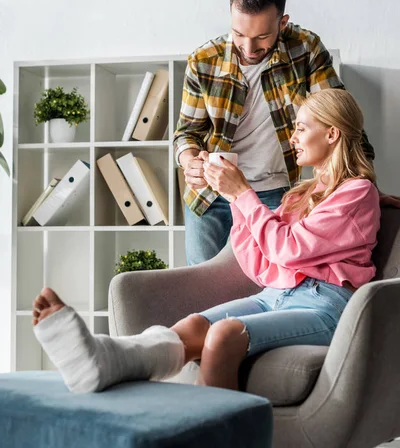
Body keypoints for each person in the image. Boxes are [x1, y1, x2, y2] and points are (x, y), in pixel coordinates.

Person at [32, 88, 380, 394]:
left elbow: (288, 248)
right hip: (273, 295)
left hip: (323, 306)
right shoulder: (300, 195)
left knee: (223, 335)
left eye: (302, 128)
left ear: (332, 134)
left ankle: (204, 428)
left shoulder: (357, 193)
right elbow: (260, 265)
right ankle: (102, 362)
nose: (293, 137)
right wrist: (232, 197)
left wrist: (243, 193)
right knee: (194, 325)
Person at [173, 0, 374, 265]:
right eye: (239, 34)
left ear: (283, 22)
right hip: (210, 194)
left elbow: (338, 116)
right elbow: (187, 132)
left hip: (275, 195)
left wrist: (364, 184)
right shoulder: (204, 60)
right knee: (203, 290)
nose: (249, 48)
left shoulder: (304, 48)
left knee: (272, 287)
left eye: (261, 37)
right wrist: (189, 160)